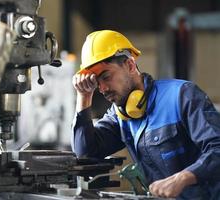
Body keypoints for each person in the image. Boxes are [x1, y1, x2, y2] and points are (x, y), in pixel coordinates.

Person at [71, 30, 220, 199]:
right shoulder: (120, 116)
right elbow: (86, 156)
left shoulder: (181, 95)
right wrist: (84, 97)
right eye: (97, 83)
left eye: (106, 76)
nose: (103, 89)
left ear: (130, 65)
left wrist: (183, 177)